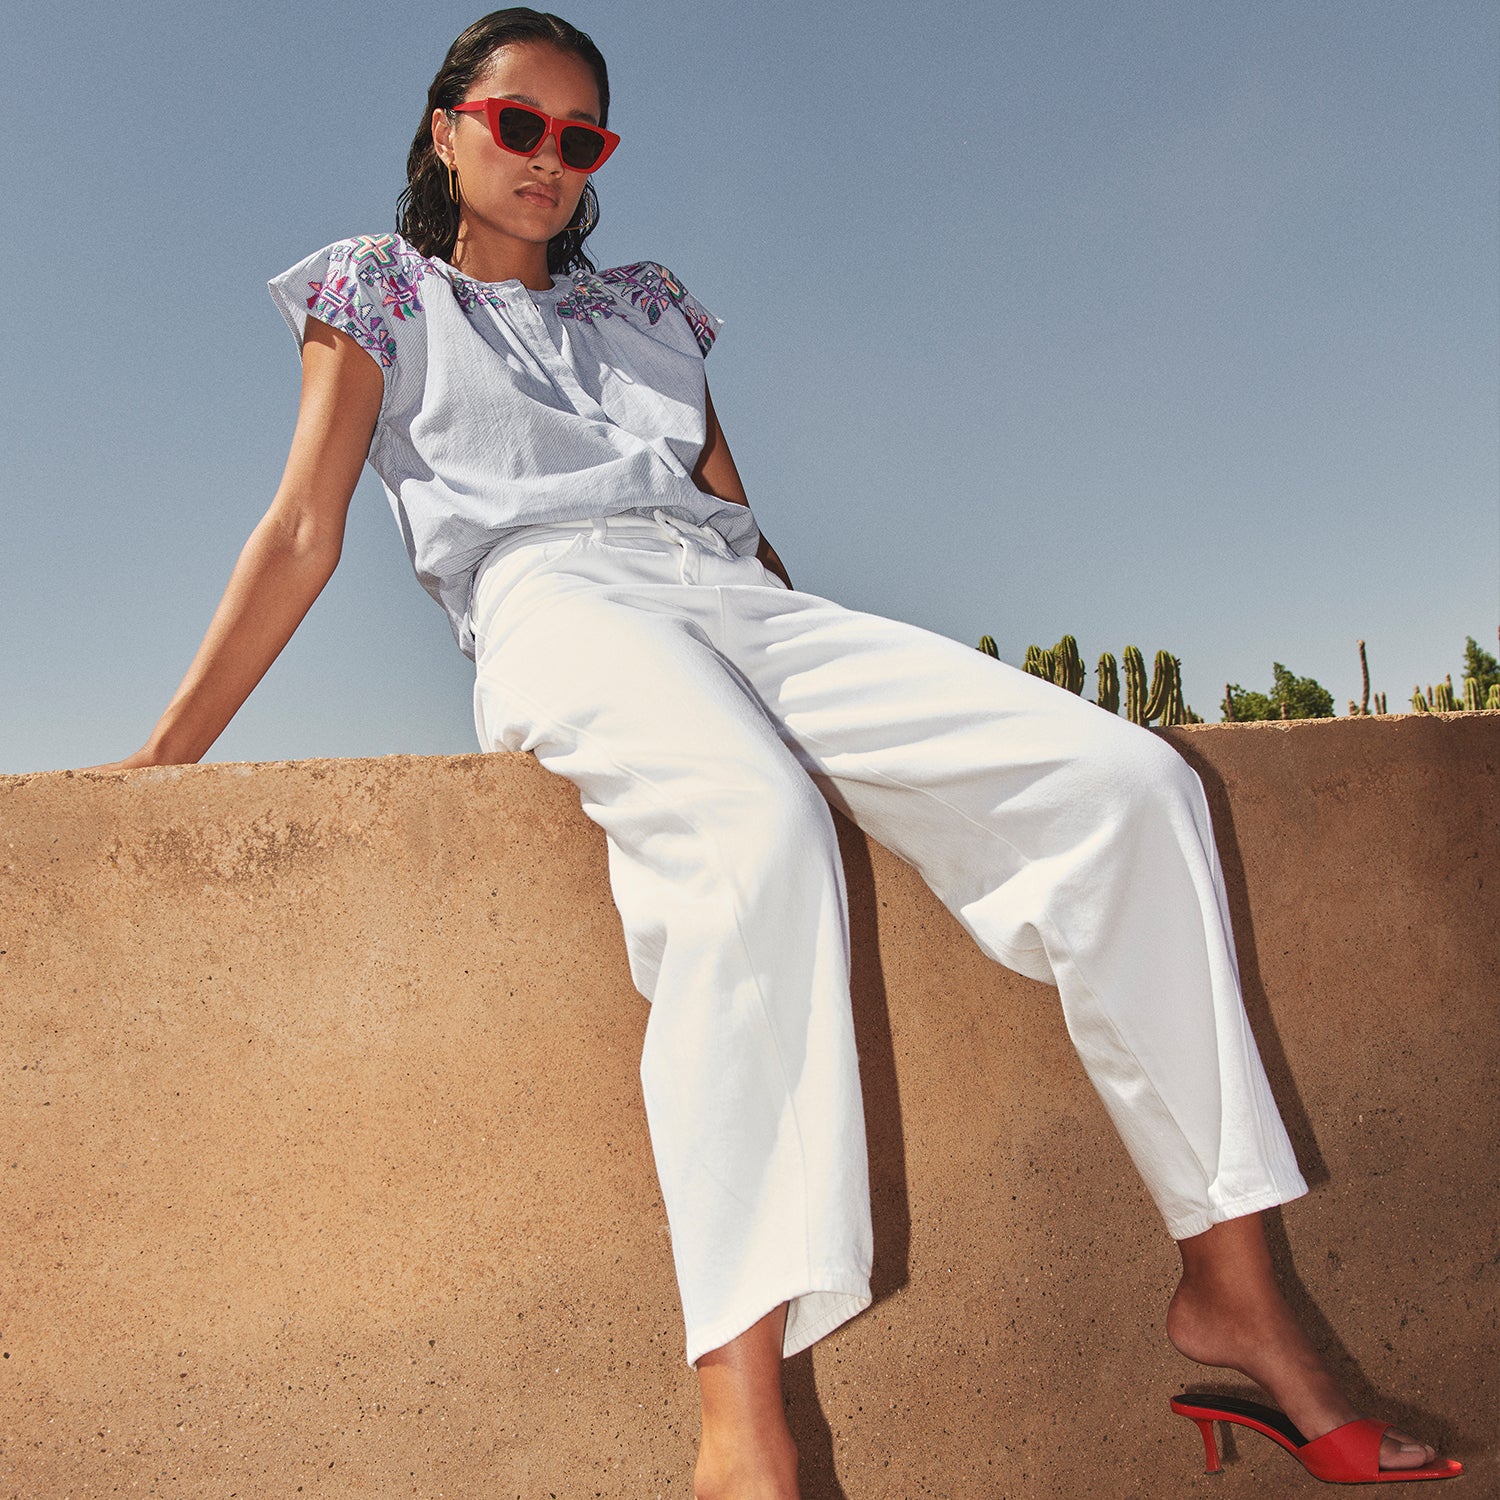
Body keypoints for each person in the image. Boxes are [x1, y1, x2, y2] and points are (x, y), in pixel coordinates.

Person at [90, 9, 1460, 1496]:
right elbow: (304, 528)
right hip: (550, 600)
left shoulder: (650, 309)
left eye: (580, 138)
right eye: (517, 124)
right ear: (446, 130)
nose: (549, 158)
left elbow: (741, 529)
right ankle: (743, 1427)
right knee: (755, 838)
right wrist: (159, 766)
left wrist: (839, 691)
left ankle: (1235, 1288)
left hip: (734, 598)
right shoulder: (378, 287)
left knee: (1130, 785)